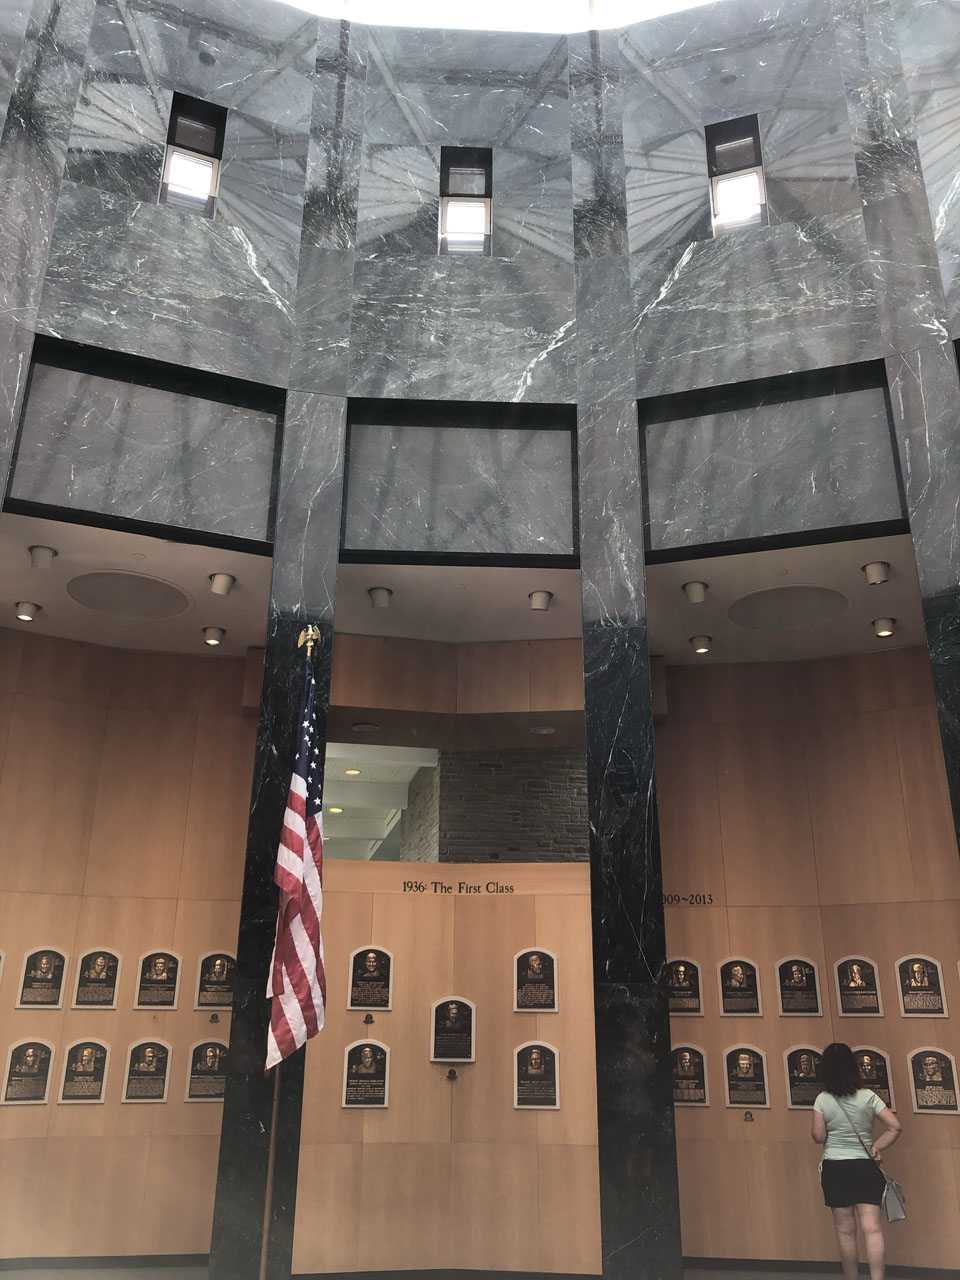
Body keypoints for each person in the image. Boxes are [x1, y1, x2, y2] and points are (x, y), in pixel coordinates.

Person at [812, 1042, 902, 1280]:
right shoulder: (868, 1097)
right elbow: (895, 1127)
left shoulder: (822, 1099)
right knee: (872, 1229)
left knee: (845, 1232)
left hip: (835, 1168)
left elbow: (818, 1136)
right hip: (865, 1166)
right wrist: (876, 1146)